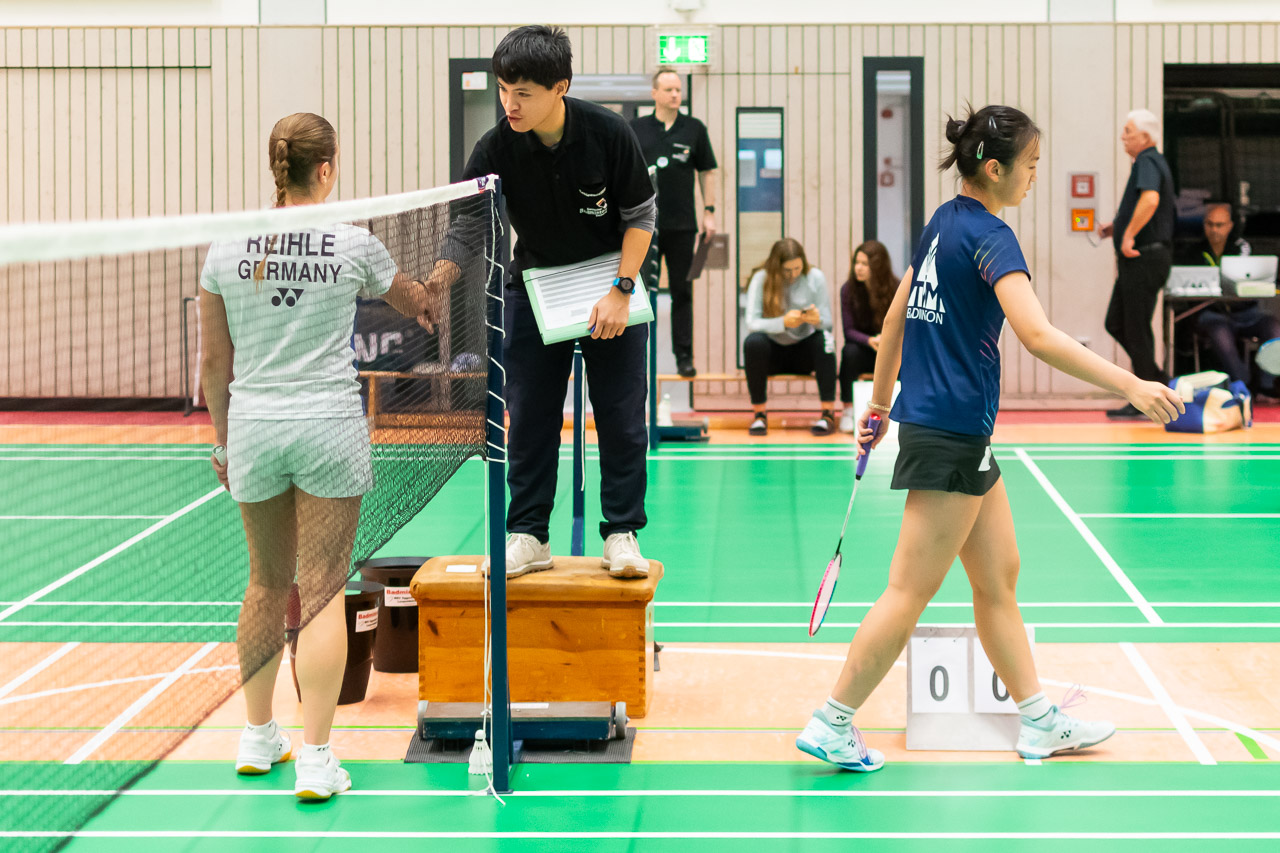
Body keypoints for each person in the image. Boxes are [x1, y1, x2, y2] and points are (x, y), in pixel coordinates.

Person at [794, 105, 1183, 772]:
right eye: (1030, 165)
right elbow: (1037, 335)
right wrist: (1132, 384)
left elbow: (896, 319)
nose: (1034, 176)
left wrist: (880, 405)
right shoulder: (992, 238)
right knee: (907, 591)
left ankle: (1038, 720)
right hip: (953, 430)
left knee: (999, 578)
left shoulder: (941, 223)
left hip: (953, 430)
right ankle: (833, 720)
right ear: (996, 169)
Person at [201, 112, 442, 800]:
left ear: (276, 166)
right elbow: (410, 298)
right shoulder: (351, 242)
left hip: (255, 427)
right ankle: (315, 758)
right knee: (325, 589)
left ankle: (257, 736)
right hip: (329, 427)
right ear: (327, 168)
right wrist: (436, 286)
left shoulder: (226, 246)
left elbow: (214, 363)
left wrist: (223, 441)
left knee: (264, 584)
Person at [426, 26, 656, 579]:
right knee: (528, 416)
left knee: (622, 417)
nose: (510, 103)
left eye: (524, 92)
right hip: (536, 288)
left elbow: (641, 216)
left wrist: (621, 291)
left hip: (610, 283)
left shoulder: (608, 133)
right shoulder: (495, 147)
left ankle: (621, 534)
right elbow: (467, 225)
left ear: (560, 88)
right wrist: (436, 281)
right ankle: (529, 534)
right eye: (504, 89)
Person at [630, 68, 719, 378]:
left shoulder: (693, 129)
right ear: (654, 93)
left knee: (682, 291)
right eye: (668, 89)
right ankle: (635, 354)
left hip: (682, 225)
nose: (675, 94)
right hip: (643, 225)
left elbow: (707, 171)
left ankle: (684, 356)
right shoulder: (637, 129)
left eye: (678, 89)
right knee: (638, 290)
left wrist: (709, 210)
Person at [1099, 108, 1176, 418]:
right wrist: (1116, 227)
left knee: (1135, 328)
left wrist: (1128, 235)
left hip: (1144, 258)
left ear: (1145, 137)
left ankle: (1147, 394)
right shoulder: (1151, 161)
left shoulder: (1147, 160)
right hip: (1144, 259)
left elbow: (1150, 200)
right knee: (1118, 323)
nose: (1123, 136)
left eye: (1128, 131)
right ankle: (1156, 381)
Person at [1176, 202, 1280, 394]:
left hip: (1247, 313)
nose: (1215, 230)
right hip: (1212, 314)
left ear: (1230, 225)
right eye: (1210, 224)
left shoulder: (1242, 249)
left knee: (1273, 327)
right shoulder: (1193, 253)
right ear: (1204, 225)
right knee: (1220, 334)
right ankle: (1244, 386)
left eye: (1219, 225)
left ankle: (1268, 386)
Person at [742, 238, 838, 436]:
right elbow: (751, 323)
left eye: (797, 268)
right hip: (773, 352)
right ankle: (759, 415)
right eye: (787, 270)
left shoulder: (815, 277)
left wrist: (816, 320)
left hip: (803, 352)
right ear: (776, 267)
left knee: (826, 340)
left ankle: (828, 414)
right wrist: (783, 322)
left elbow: (828, 323)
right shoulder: (761, 278)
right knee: (753, 343)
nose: (793, 274)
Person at [838, 240, 897, 432]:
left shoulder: (895, 287)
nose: (858, 268)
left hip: (889, 350)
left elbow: (901, 326)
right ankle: (848, 410)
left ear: (877, 266)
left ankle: (902, 409)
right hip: (865, 349)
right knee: (849, 352)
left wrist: (886, 341)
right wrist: (870, 340)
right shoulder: (848, 290)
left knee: (907, 355)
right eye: (857, 262)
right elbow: (849, 331)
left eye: (865, 264)